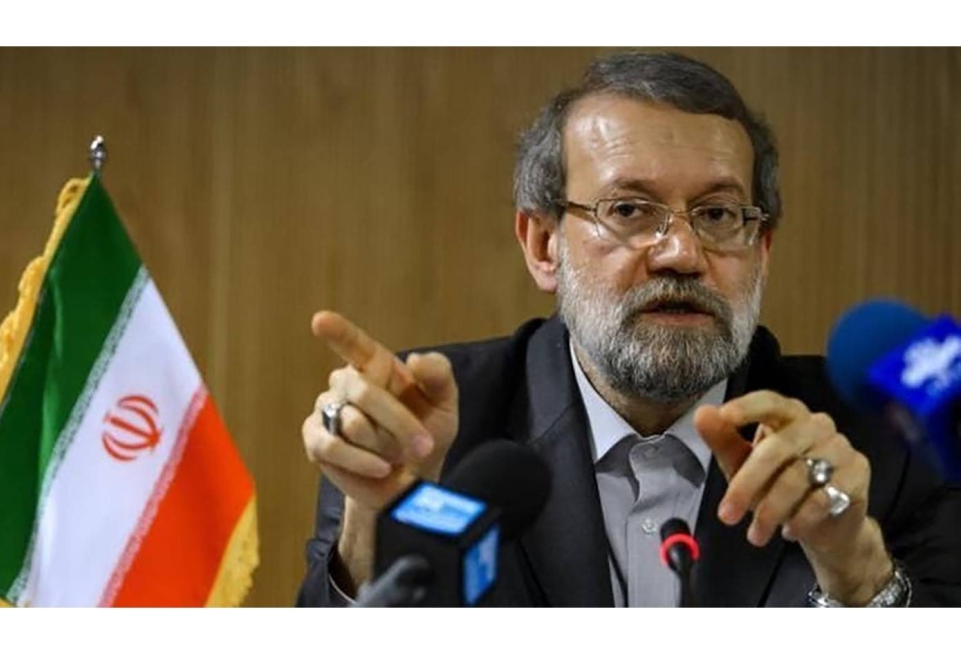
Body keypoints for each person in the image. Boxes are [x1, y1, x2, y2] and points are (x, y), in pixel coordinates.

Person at [296, 51, 961, 607]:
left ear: (761, 251)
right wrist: (378, 524)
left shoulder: (889, 442)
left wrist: (855, 569)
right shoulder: (420, 426)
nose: (682, 254)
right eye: (630, 210)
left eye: (718, 214)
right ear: (544, 245)